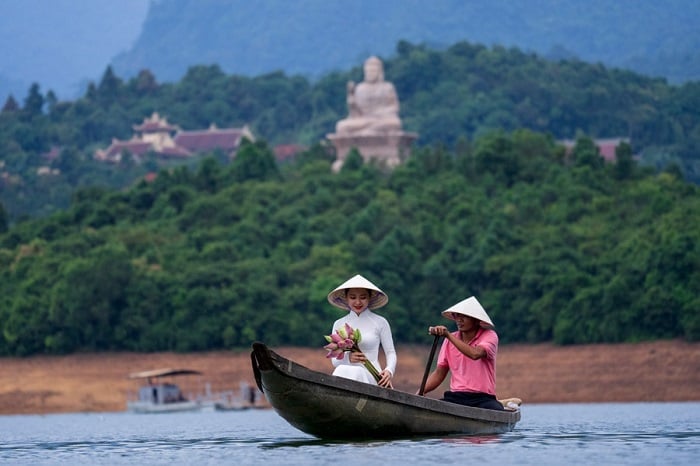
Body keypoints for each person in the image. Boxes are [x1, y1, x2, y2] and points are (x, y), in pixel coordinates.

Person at [419, 296, 504, 410]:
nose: (459, 320)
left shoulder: (489, 336)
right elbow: (439, 373)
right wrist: (420, 392)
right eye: (456, 316)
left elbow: (475, 354)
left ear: (476, 319)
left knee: (495, 409)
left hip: (483, 398)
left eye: (464, 316)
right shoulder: (449, 340)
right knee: (435, 407)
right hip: (456, 397)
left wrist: (448, 335)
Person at [327, 274, 396, 388]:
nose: (358, 302)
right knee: (342, 369)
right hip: (346, 376)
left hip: (373, 377)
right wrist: (348, 358)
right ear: (346, 298)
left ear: (369, 298)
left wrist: (389, 371)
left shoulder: (380, 322)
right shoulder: (338, 324)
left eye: (363, 297)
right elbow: (335, 361)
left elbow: (390, 352)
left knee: (357, 372)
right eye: (353, 297)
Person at [335, 56, 402, 135]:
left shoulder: (387, 87)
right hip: (363, 120)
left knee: (395, 123)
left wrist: (381, 112)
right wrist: (351, 98)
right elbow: (355, 114)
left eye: (373, 71)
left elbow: (395, 108)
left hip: (381, 119)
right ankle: (370, 131)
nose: (370, 73)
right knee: (341, 126)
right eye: (368, 71)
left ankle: (367, 132)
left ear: (379, 72)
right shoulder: (360, 88)